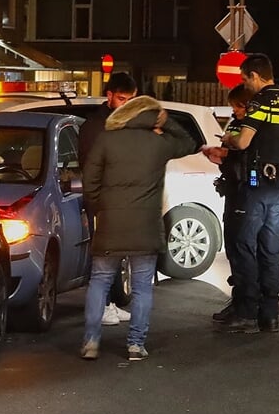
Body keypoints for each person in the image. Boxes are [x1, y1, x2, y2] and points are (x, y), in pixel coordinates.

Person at [79, 96, 197, 361]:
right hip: (145, 226)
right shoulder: (158, 143)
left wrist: (100, 209)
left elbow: (90, 181)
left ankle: (90, 341)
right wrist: (168, 123)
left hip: (111, 224)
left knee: (99, 281)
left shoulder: (106, 140)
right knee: (143, 286)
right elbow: (189, 143)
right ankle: (135, 344)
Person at [221, 53, 279, 334]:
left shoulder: (260, 100)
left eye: (245, 79)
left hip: (255, 184)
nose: (246, 84)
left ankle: (246, 311)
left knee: (243, 245)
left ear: (255, 75)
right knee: (270, 249)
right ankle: (270, 314)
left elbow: (242, 141)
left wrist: (228, 139)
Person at [78, 72, 138, 326]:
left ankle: (109, 304)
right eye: (122, 99)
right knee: (102, 255)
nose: (127, 104)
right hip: (103, 200)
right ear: (110, 95)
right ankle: (99, 307)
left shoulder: (123, 123)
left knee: (114, 254)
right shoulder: (95, 127)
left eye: (131, 100)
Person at [202, 84, 254, 324]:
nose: (235, 111)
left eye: (238, 106)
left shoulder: (252, 125)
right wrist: (219, 154)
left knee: (243, 248)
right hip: (232, 187)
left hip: (246, 190)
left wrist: (225, 152)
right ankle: (238, 301)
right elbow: (229, 151)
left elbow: (244, 151)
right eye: (234, 106)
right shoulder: (234, 123)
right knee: (232, 246)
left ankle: (247, 304)